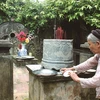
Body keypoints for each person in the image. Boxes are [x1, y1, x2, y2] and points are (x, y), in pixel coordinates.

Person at [60, 29, 100, 99]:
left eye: (90, 44)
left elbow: (96, 81)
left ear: (98, 44)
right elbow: (89, 62)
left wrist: (77, 79)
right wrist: (72, 68)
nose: (89, 47)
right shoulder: (98, 55)